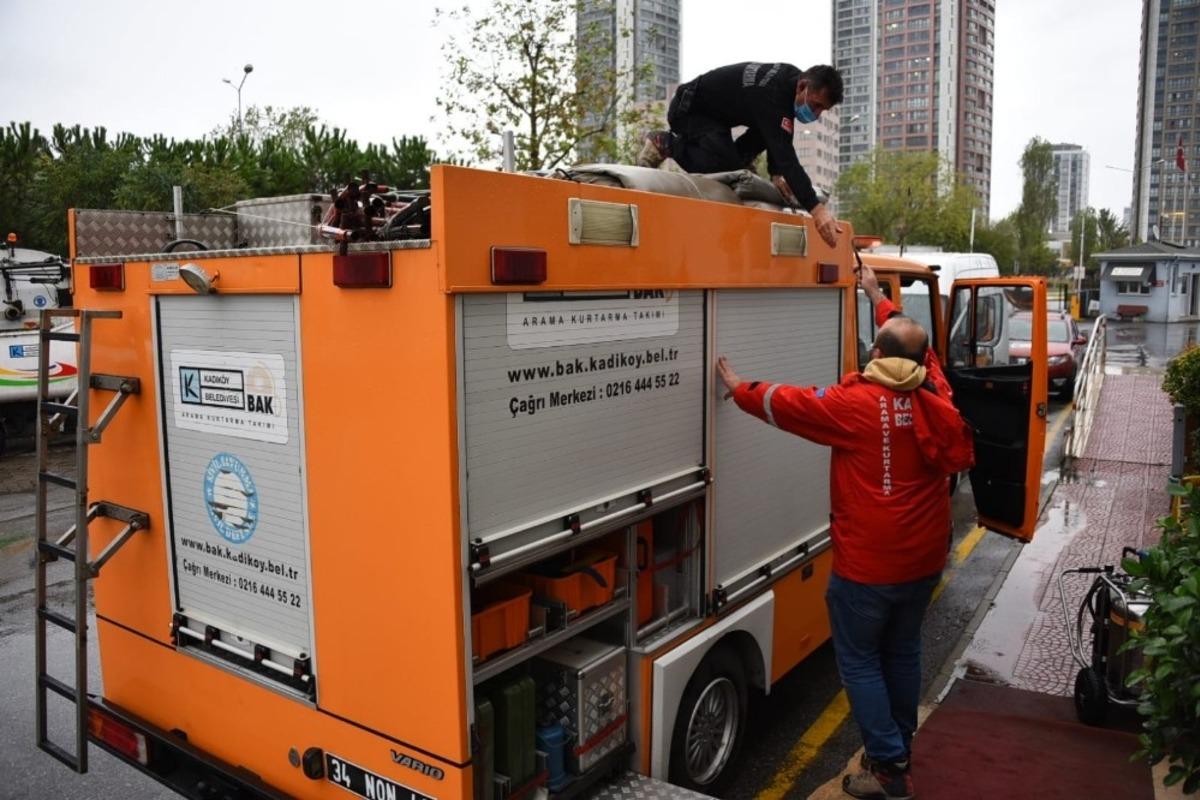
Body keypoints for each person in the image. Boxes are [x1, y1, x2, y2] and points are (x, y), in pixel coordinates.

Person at [714, 264, 973, 800]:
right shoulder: (936, 391)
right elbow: (912, 343)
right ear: (921, 359)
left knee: (859, 661)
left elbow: (788, 403)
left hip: (867, 569)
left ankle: (889, 766)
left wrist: (739, 388)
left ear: (875, 355)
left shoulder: (853, 405)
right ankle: (898, 744)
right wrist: (877, 296)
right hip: (923, 561)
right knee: (902, 652)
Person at [636, 62, 845, 247]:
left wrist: (775, 173)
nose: (816, 114)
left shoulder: (789, 82)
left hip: (715, 117)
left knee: (755, 143)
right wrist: (817, 210)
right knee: (722, 169)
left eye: (822, 110)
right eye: (816, 105)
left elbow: (779, 134)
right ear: (803, 86)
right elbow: (787, 156)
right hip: (689, 110)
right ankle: (666, 143)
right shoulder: (774, 94)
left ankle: (740, 162)